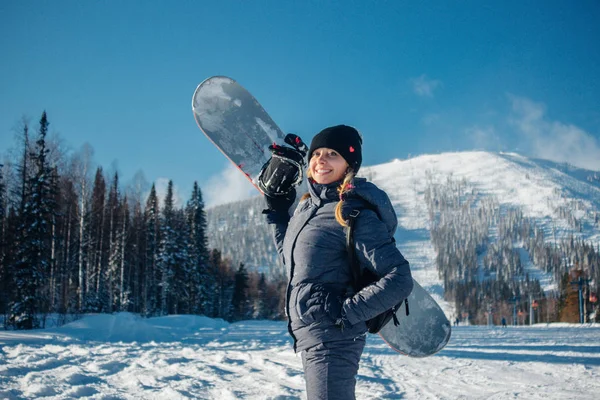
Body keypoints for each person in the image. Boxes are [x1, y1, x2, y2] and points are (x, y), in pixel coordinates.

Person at [261, 125, 414, 399]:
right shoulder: (308, 208)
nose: (321, 159)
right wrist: (277, 212)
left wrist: (345, 314)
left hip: (334, 338)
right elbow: (293, 263)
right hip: (313, 335)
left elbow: (399, 276)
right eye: (317, 153)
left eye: (333, 154)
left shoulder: (353, 213)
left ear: (349, 165)